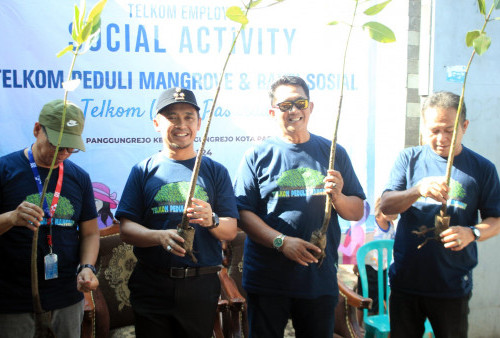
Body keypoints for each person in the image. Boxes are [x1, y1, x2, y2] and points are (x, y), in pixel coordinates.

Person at [233, 75, 366, 338]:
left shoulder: (333, 152)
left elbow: (357, 210)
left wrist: (338, 197)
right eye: (285, 106)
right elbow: (242, 213)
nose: (294, 110)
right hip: (268, 279)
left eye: (300, 103)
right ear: (273, 112)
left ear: (311, 107)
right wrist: (281, 242)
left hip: (318, 277)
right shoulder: (257, 155)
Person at [115, 87, 238, 338]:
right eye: (172, 117)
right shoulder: (143, 170)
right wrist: (158, 237)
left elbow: (230, 229)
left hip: (200, 285)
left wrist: (212, 220)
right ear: (157, 123)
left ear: (199, 123)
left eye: (188, 116)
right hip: (152, 283)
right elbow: (126, 229)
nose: (181, 124)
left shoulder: (216, 172)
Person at [380, 91, 500, 338]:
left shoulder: (482, 169)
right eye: (434, 131)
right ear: (423, 127)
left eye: (450, 130)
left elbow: (496, 219)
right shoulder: (408, 159)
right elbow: (386, 206)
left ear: (464, 126)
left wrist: (472, 232)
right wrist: (417, 190)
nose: (442, 138)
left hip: (452, 285)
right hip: (406, 283)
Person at [0, 99, 100, 337]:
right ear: (37, 129)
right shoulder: (5, 170)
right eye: (57, 145)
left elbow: (90, 232)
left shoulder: (79, 178)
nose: (62, 154)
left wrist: (87, 267)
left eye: (70, 148)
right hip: (12, 300)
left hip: (66, 296)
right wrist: (11, 218)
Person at [356, 197, 397, 316]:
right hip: (369, 267)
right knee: (365, 298)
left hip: (384, 267)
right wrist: (357, 264)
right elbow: (360, 244)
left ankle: (378, 321)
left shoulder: (391, 226)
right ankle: (359, 326)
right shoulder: (371, 224)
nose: (391, 214)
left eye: (394, 212)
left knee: (381, 296)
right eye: (388, 210)